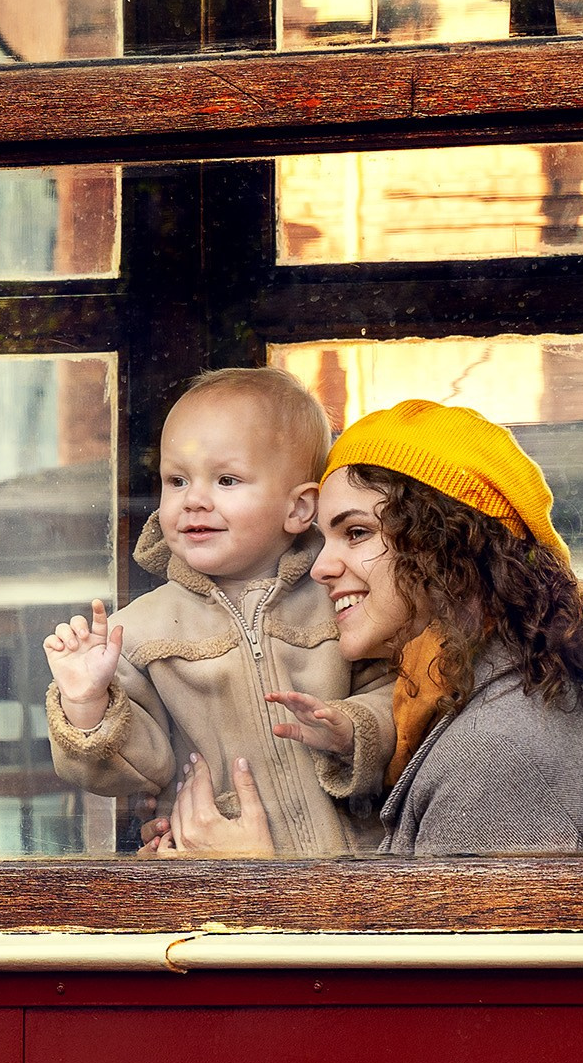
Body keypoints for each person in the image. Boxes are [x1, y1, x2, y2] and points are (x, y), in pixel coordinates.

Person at [162, 399, 583, 858]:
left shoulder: (501, 753)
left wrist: (252, 878)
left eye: (355, 533)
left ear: (444, 544)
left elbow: (420, 987)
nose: (320, 567)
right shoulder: (517, 690)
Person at [42, 366, 394, 855]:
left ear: (299, 509)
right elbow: (137, 769)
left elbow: (398, 695)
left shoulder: (340, 602)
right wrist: (87, 704)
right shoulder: (139, 631)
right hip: (211, 880)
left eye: (226, 480)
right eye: (177, 480)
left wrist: (352, 728)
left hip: (354, 877)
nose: (195, 501)